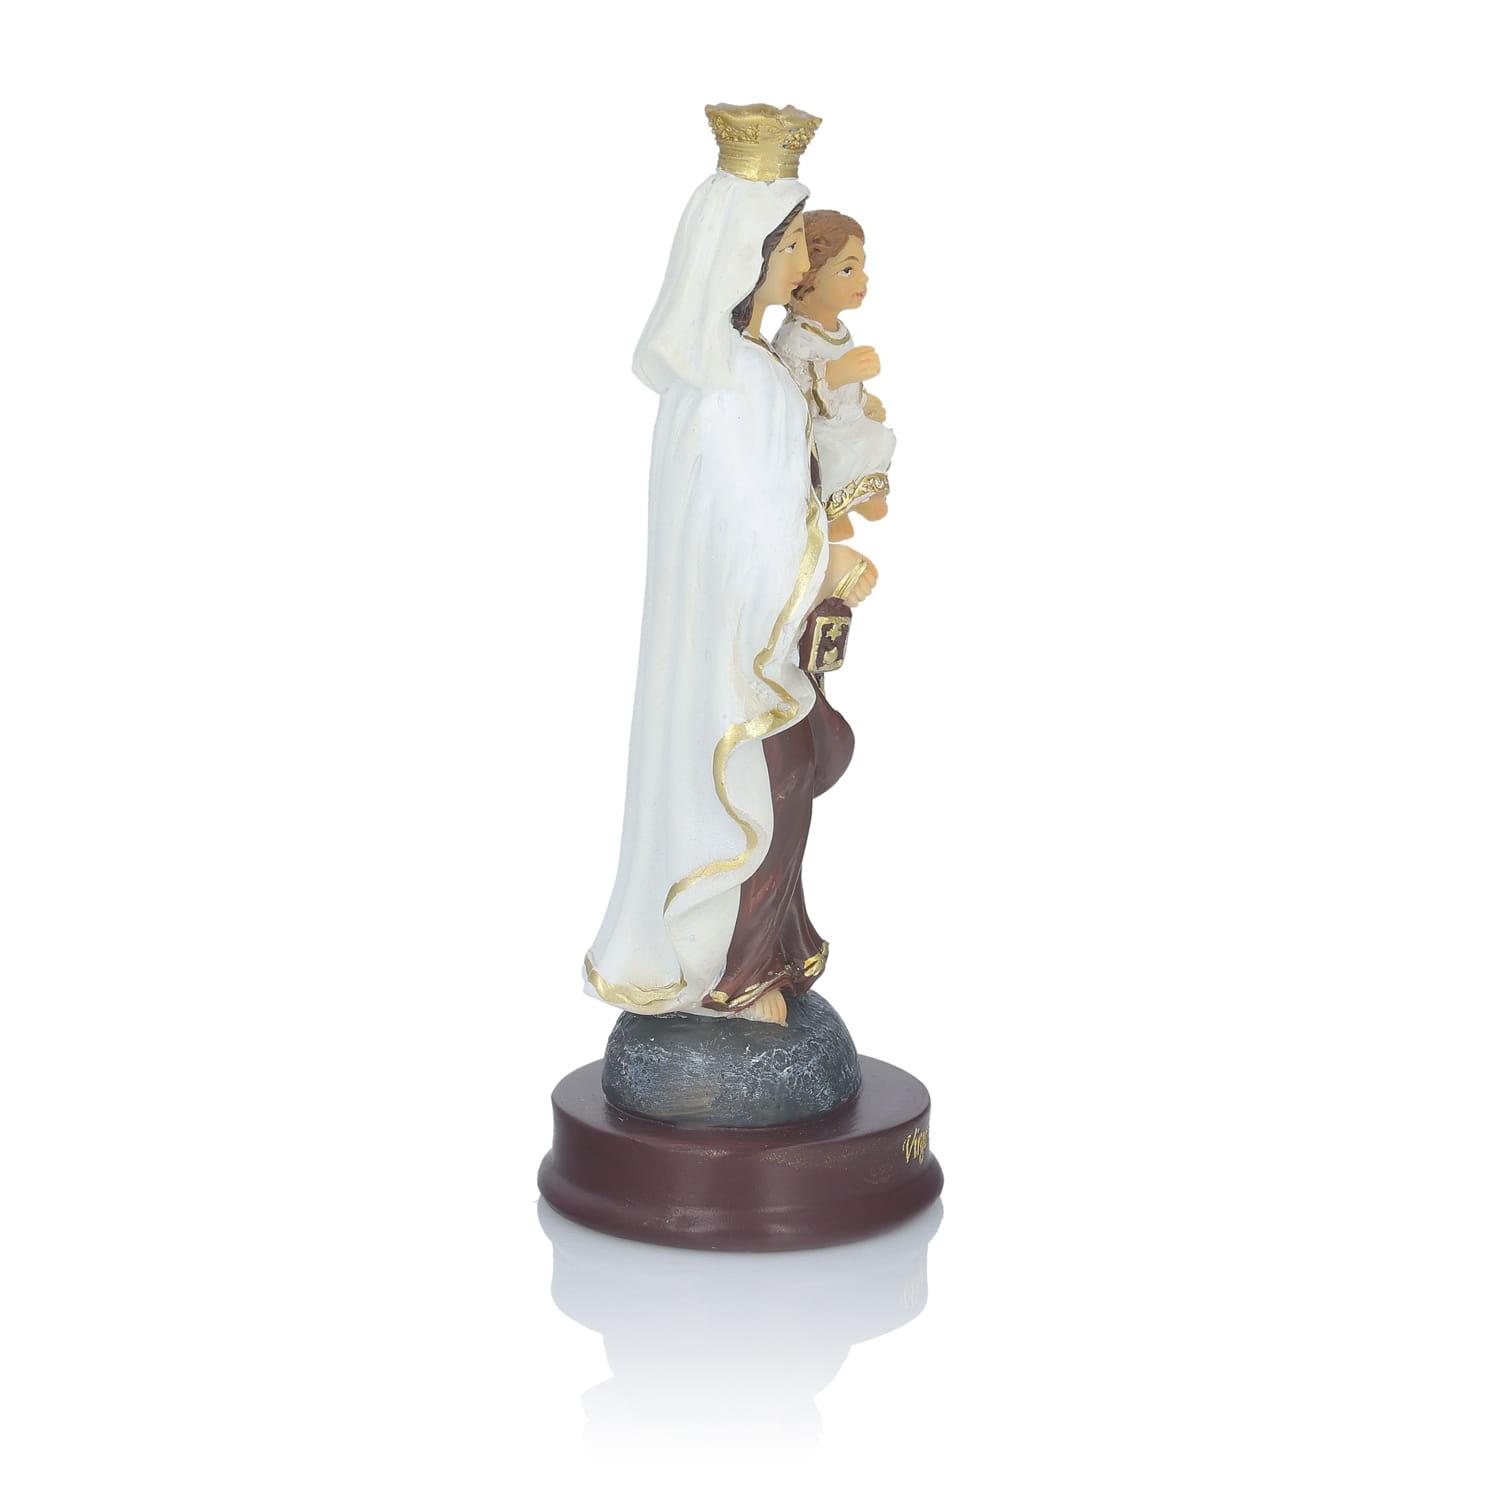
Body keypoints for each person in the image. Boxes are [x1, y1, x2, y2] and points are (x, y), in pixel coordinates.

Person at [584, 104, 874, 1026]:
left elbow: (775, 501)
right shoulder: (730, 383)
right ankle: (734, 977)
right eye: (786, 245)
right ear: (745, 255)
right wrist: (825, 569)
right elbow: (749, 534)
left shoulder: (739, 370)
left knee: (787, 792)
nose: (798, 265)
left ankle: (765, 959)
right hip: (739, 651)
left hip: (752, 637)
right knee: (767, 795)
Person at [774, 210, 895, 542]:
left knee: (878, 437)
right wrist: (835, 373)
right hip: (817, 431)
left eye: (861, 268)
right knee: (833, 456)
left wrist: (864, 400)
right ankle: (829, 513)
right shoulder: (796, 336)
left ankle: (861, 496)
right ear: (808, 277)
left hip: (844, 419)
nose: (863, 279)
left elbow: (850, 385)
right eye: (847, 270)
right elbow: (790, 391)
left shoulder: (840, 330)